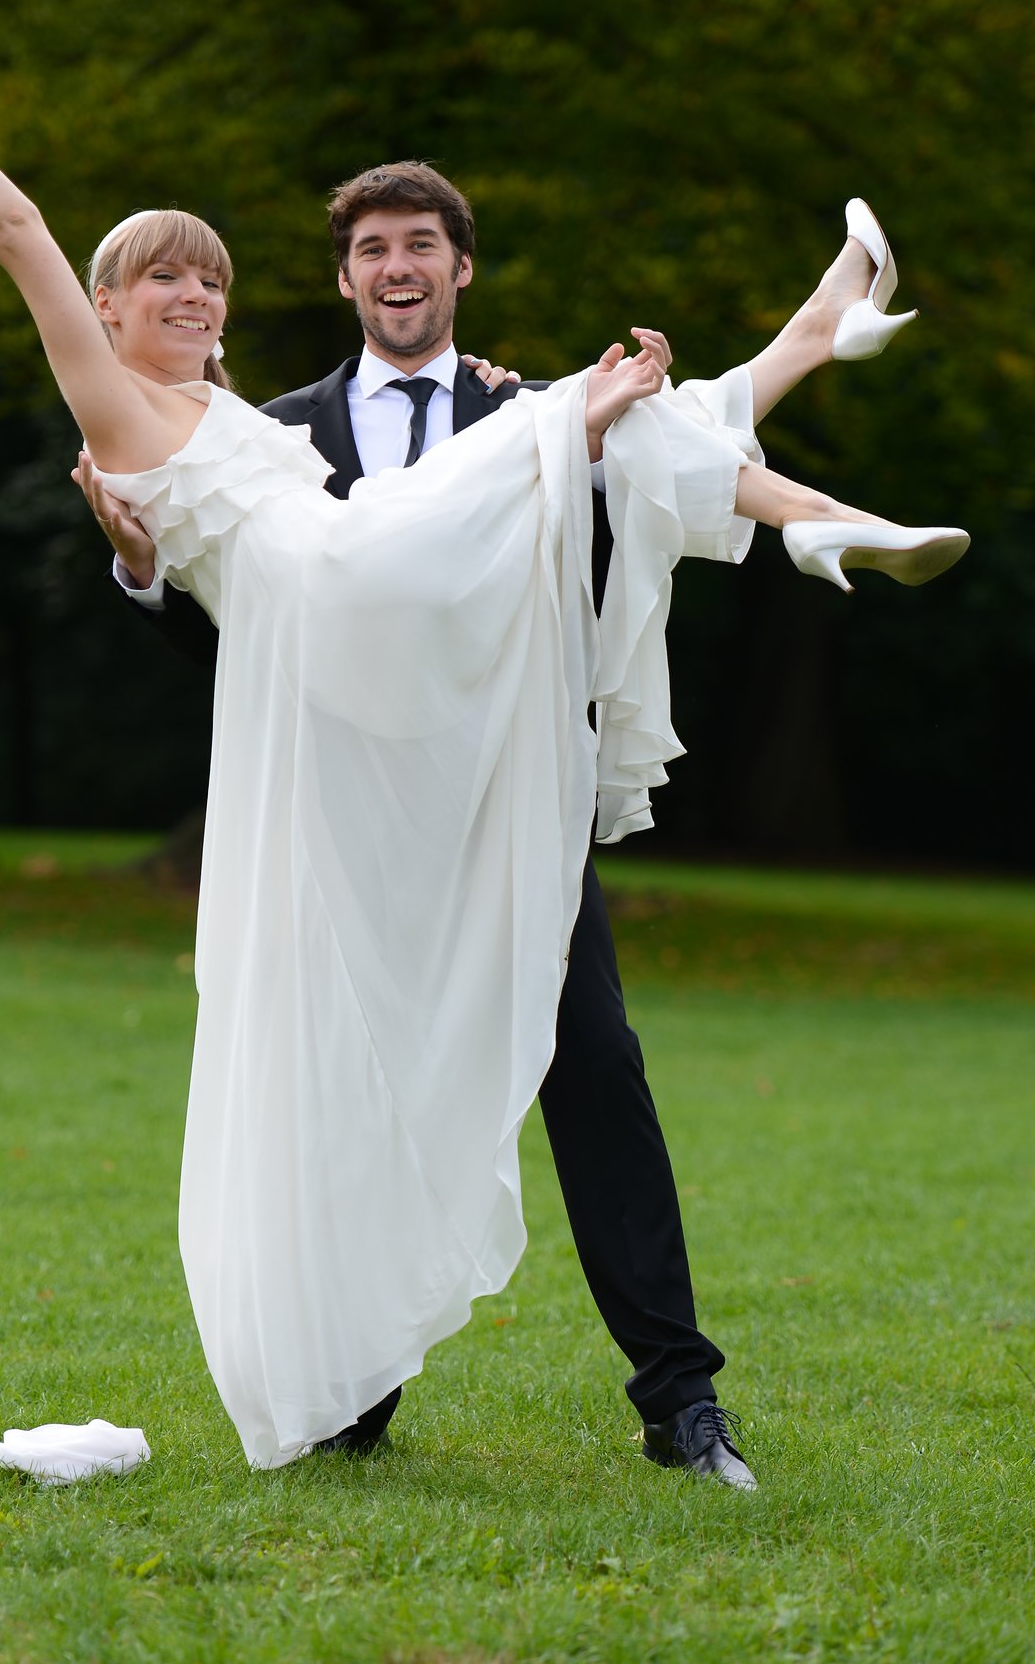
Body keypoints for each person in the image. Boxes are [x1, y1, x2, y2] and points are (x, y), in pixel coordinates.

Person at [0, 0, 967, 1481]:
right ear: (106, 307)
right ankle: (810, 415)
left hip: (409, 654)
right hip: (343, 635)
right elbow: (16, 234)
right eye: (158, 279)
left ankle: (813, 427)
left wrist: (541, 420)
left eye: (207, 277)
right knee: (581, 419)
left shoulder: (260, 419)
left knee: (591, 425)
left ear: (448, 269)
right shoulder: (135, 407)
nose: (192, 295)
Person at [80, 166, 966, 1486]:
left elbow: (611, 525)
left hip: (505, 808)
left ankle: (681, 1399)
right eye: (372, 247)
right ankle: (355, 1383)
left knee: (595, 1073)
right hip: (347, 821)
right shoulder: (272, 426)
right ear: (342, 279)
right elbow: (234, 617)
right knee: (346, 1089)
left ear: (458, 270)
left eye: (422, 245)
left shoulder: (519, 403)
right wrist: (139, 561)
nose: (398, 266)